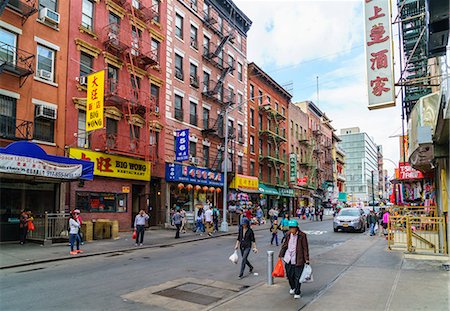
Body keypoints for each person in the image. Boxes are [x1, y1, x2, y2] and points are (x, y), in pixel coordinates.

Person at [279, 219, 310, 299]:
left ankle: (297, 292)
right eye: (290, 228)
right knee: (289, 275)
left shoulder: (302, 235)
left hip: (298, 259)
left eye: (293, 228)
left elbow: (305, 248)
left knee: (298, 277)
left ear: (296, 228)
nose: (291, 229)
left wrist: (306, 259)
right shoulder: (288, 234)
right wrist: (281, 254)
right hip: (288, 258)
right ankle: (293, 287)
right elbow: (285, 245)